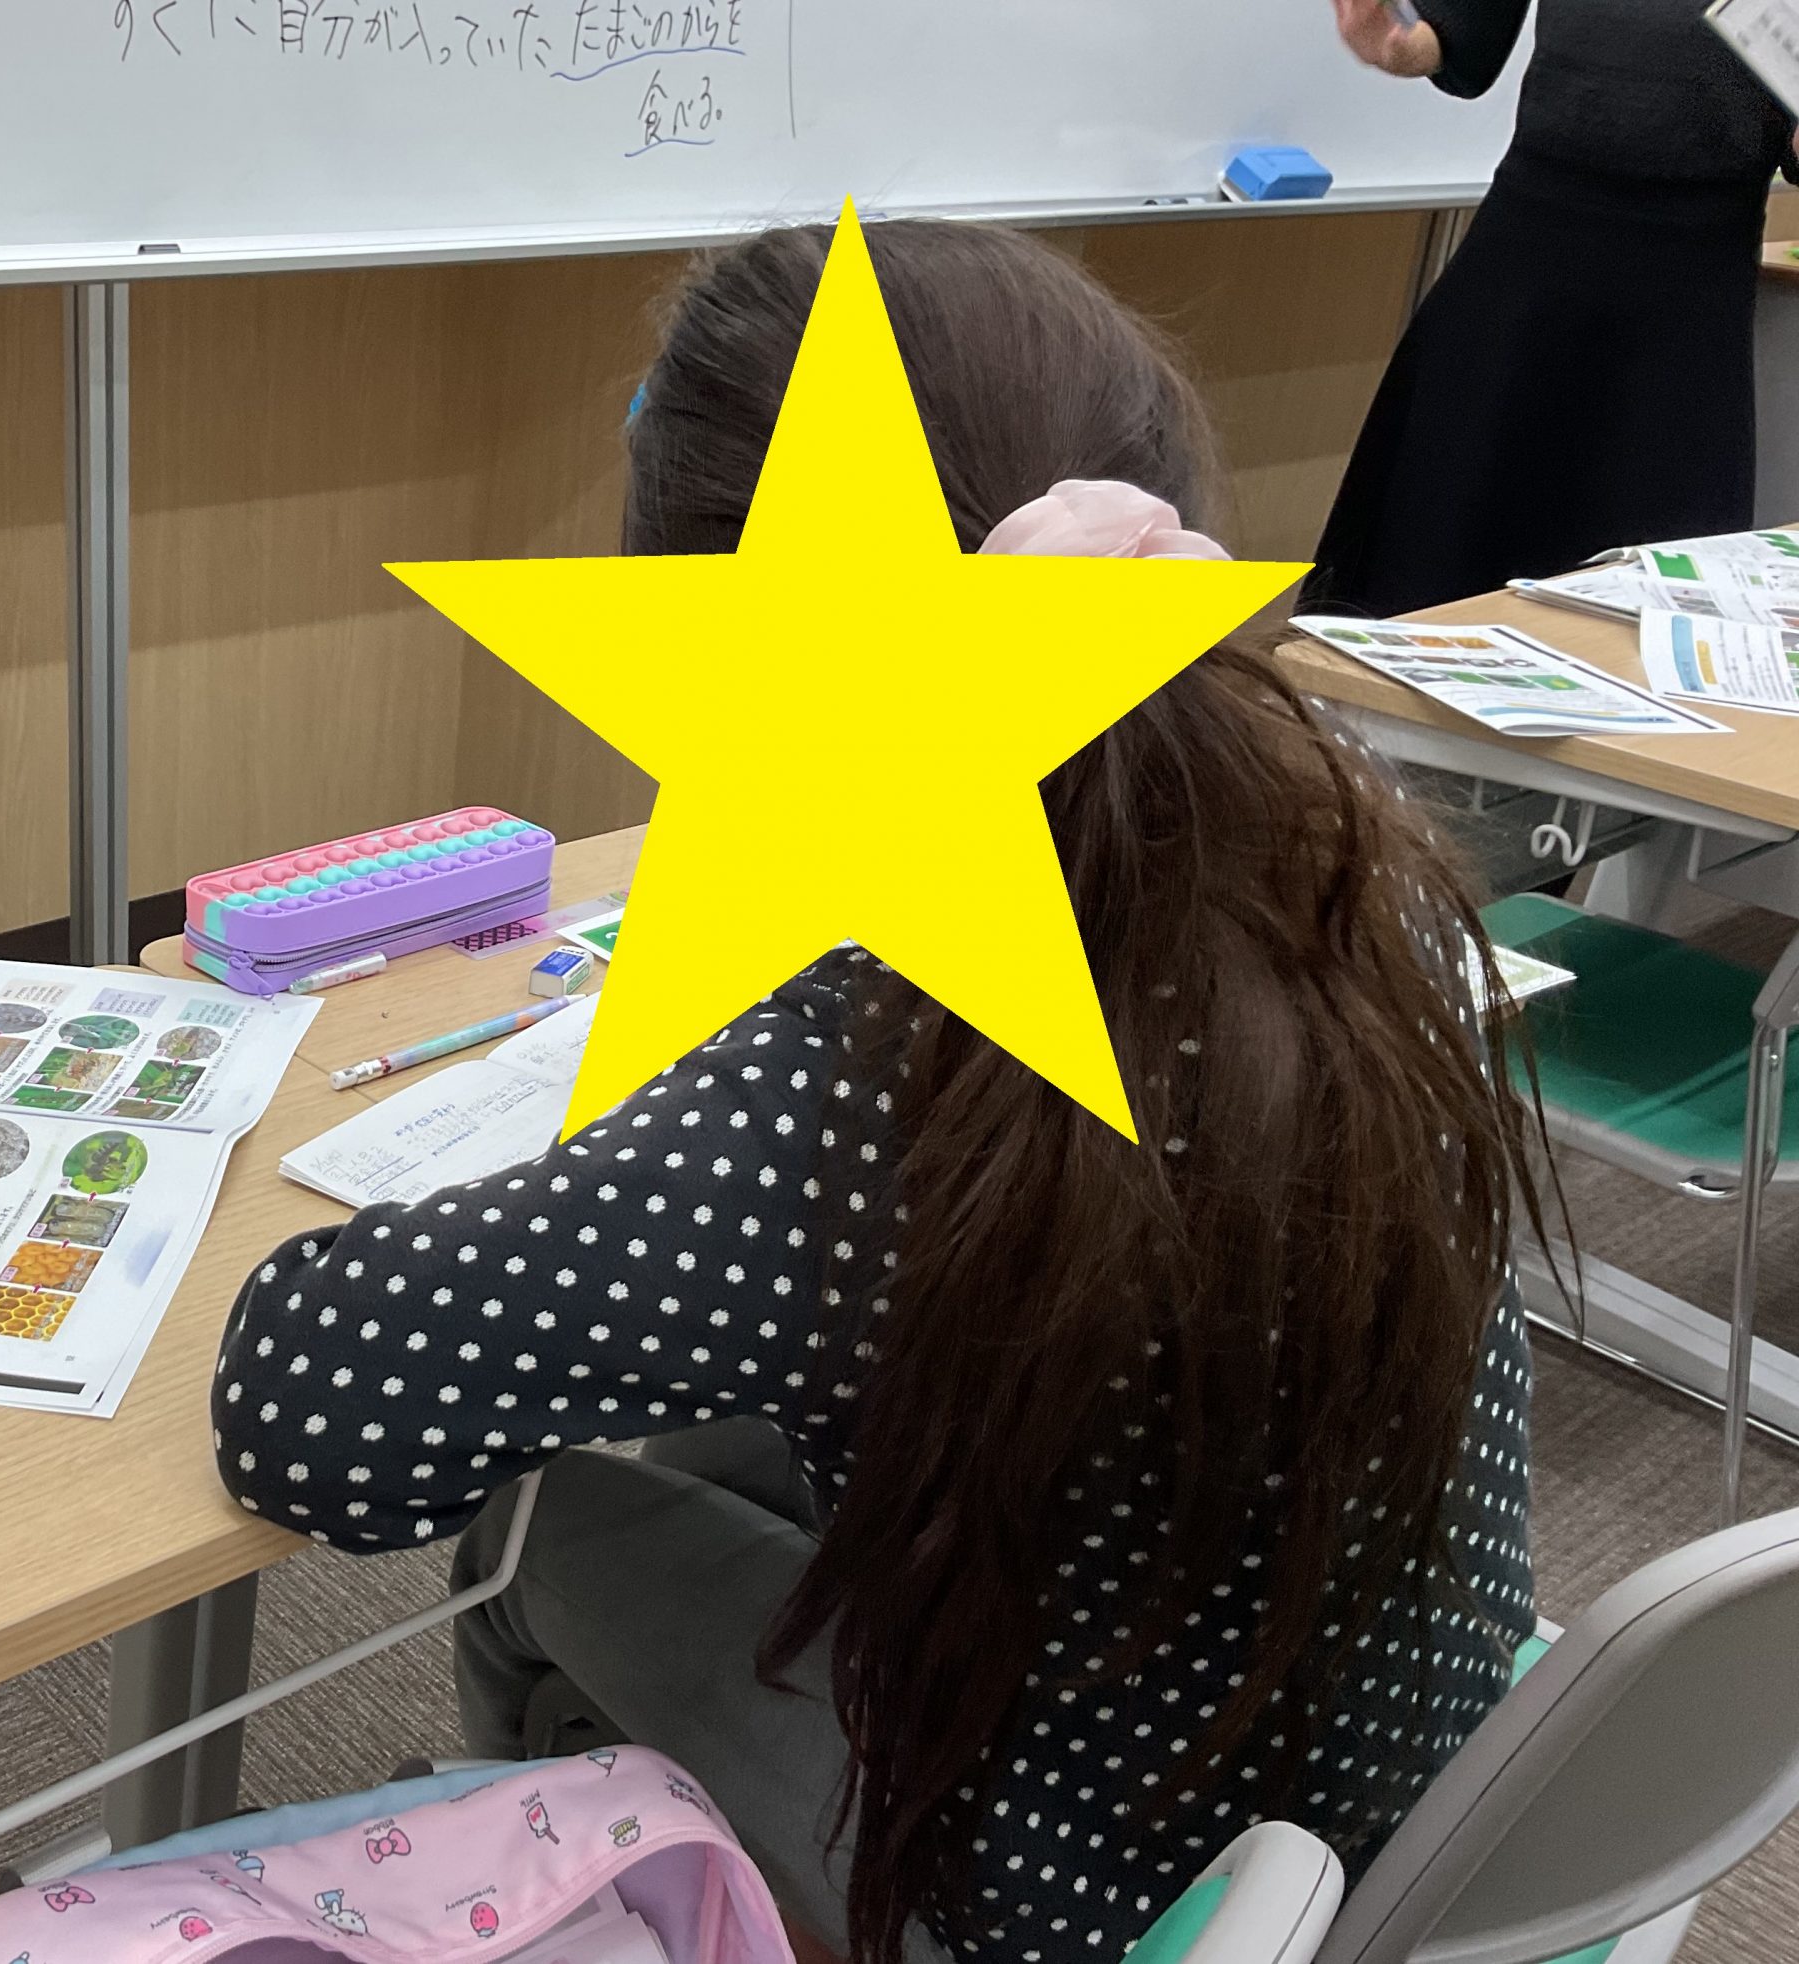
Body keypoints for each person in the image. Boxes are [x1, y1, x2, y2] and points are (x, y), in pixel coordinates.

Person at [212, 220, 1547, 1964]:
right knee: (714, 1419)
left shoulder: (863, 1088)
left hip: (1065, 1894)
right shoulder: (1365, 872)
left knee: (543, 1517)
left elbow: (302, 1406)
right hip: (1425, 1791)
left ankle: (568, 1877)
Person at [1309, 0, 1798, 618]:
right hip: (1525, 245)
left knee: (1643, 585)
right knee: (1429, 546)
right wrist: (1396, 44)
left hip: (1690, 290)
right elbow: (1462, 35)